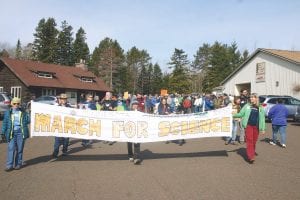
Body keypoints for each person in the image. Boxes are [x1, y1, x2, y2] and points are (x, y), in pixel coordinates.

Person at [233, 93, 266, 164]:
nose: (251, 99)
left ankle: (252, 153)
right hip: (248, 126)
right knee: (249, 140)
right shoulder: (247, 106)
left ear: (256, 98)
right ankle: (251, 156)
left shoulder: (260, 107)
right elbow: (241, 114)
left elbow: (262, 118)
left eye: (252, 97)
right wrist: (233, 115)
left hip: (256, 127)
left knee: (254, 141)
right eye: (250, 97)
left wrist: (263, 129)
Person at [1, 97, 30, 171]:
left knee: (19, 149)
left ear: (20, 104)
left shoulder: (23, 112)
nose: (16, 105)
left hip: (21, 132)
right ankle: (9, 165)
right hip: (11, 133)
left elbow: (28, 121)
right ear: (11, 104)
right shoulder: (8, 113)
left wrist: (29, 113)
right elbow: (4, 123)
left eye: (18, 103)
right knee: (11, 148)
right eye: (14, 103)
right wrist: (2, 133)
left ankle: (18, 164)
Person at [52, 93, 71, 158]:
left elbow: (73, 114)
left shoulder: (69, 107)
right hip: (58, 126)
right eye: (62, 99)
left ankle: (64, 151)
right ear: (59, 99)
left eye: (65, 99)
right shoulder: (56, 107)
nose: (63, 100)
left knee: (66, 141)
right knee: (57, 141)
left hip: (66, 126)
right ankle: (55, 153)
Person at [127, 100, 141, 165]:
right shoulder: (128, 112)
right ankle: (130, 156)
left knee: (137, 143)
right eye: (134, 104)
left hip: (138, 130)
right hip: (130, 130)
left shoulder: (140, 112)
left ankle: (136, 158)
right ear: (132, 105)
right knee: (129, 144)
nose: (135, 105)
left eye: (136, 104)